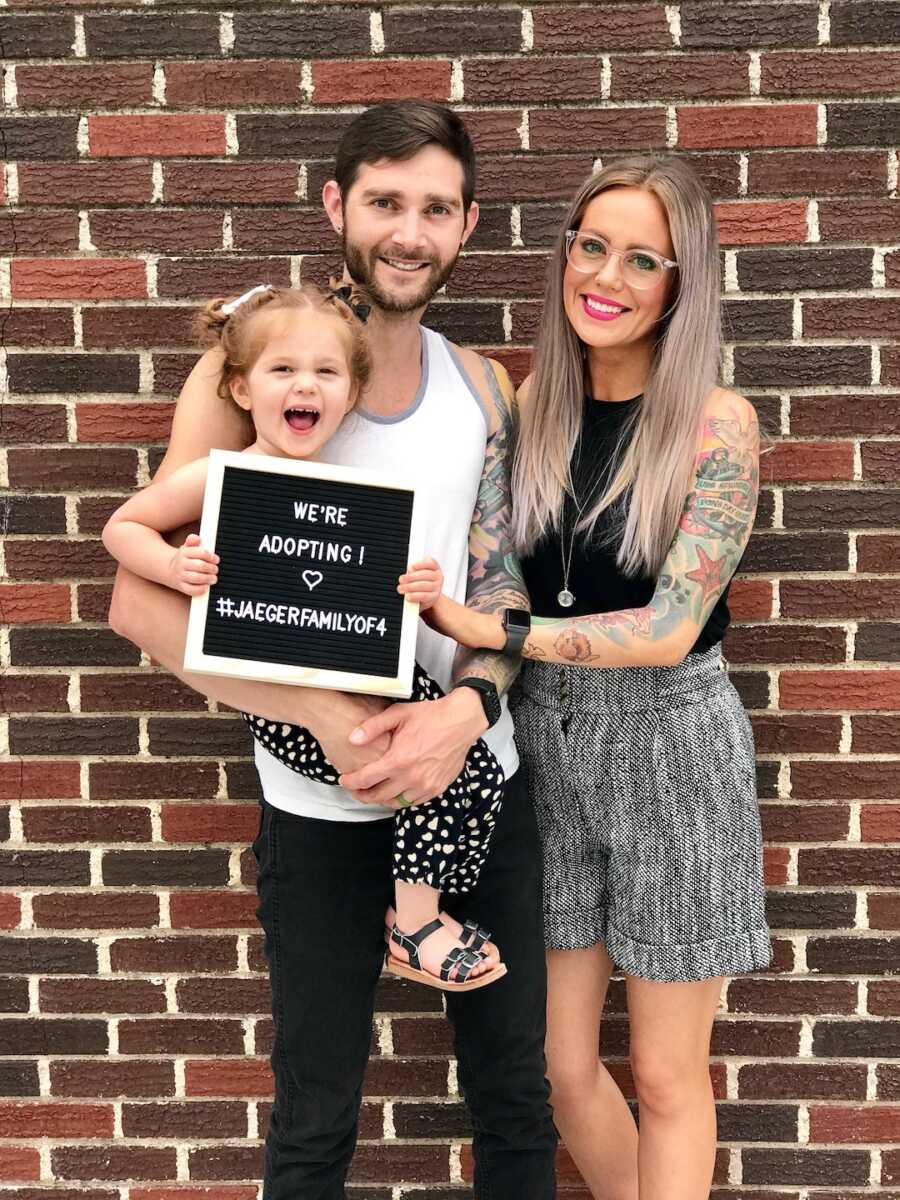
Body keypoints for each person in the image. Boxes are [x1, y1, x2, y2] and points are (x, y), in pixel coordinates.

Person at [107, 101, 557, 1199]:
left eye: (435, 208)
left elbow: (504, 593)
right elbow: (139, 602)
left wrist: (464, 716)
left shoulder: (487, 388)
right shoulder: (260, 368)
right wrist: (321, 717)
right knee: (315, 1109)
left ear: (466, 226)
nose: (409, 231)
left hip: (468, 783)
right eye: (385, 202)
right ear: (335, 206)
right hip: (316, 804)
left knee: (514, 1094)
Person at [422, 155, 772, 1200]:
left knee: (666, 1074)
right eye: (591, 245)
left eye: (640, 258)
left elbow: (668, 631)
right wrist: (465, 687)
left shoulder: (718, 424)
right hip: (544, 750)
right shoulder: (529, 412)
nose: (606, 275)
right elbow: (489, 594)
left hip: (675, 747)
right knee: (562, 1067)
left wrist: (498, 632)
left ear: (680, 283)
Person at [102, 281, 510, 992]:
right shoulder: (223, 476)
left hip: (369, 666)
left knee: (460, 766)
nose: (305, 387)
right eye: (282, 370)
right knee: (425, 779)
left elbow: (369, 588)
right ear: (238, 387)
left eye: (326, 373)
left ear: (350, 396)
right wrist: (174, 563)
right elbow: (122, 528)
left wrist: (415, 589)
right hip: (290, 689)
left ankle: (417, 918)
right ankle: (414, 927)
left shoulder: (350, 486)